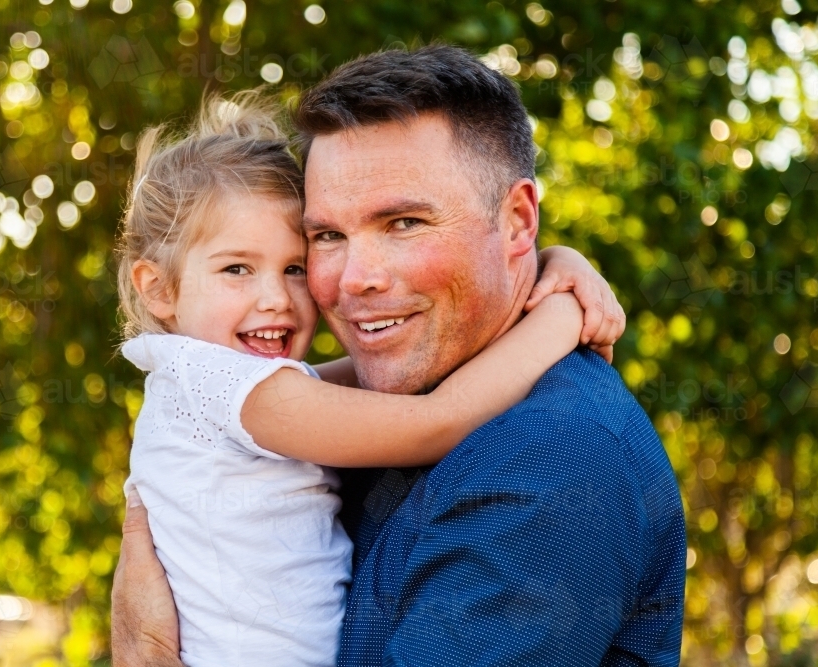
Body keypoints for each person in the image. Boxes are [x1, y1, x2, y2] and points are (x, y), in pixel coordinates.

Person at [113, 45, 686, 667]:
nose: (355, 278)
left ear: (518, 221)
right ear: (158, 288)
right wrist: (559, 300)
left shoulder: (555, 462)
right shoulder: (381, 397)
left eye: (404, 223)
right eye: (329, 235)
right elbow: (426, 418)